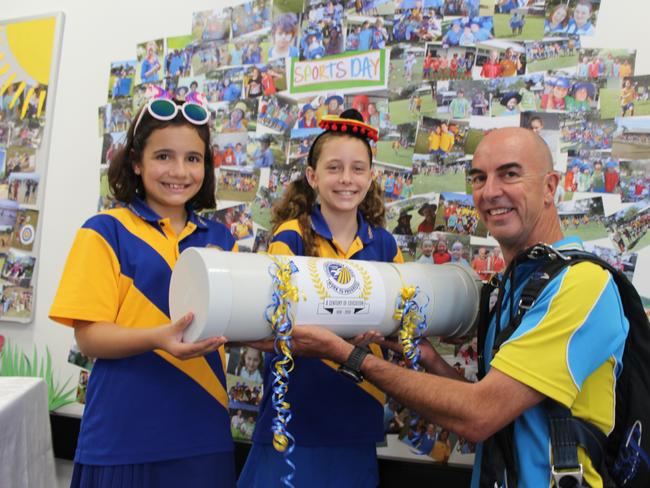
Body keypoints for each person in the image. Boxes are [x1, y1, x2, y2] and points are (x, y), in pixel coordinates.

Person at [273, 127, 628, 487]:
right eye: (479, 177)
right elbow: (495, 406)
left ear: (550, 186)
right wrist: (431, 359)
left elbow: (480, 414)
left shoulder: (581, 285)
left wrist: (348, 355)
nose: (490, 192)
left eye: (509, 174)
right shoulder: (512, 287)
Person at [49, 97, 238, 487]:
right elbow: (88, 337)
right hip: (122, 437)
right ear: (136, 162)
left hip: (204, 436)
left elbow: (238, 327)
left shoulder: (222, 240)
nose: (179, 172)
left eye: (193, 159)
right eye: (164, 156)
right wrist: (159, 339)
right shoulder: (105, 230)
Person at [237, 109, 404, 487]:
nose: (347, 179)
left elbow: (397, 320)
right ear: (312, 176)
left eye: (358, 168)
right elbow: (274, 323)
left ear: (372, 175)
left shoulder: (385, 244)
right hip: (296, 413)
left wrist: (384, 337)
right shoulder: (290, 238)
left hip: (358, 414)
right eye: (334, 168)